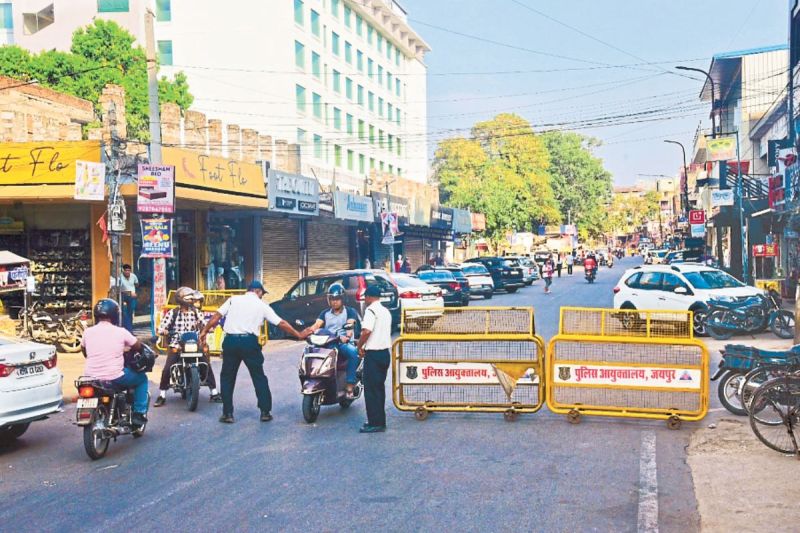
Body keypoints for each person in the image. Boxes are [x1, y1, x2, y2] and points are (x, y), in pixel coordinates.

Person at [200, 280, 308, 424]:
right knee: (258, 376)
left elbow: (216, 316)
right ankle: (265, 412)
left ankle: (227, 413)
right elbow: (281, 323)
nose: (262, 296)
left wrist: (204, 331)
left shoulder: (233, 300)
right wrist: (298, 334)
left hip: (231, 341)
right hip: (249, 342)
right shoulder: (261, 305)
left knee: (227, 377)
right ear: (257, 291)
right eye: (262, 294)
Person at [81, 299, 149, 427]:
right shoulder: (121, 332)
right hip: (114, 377)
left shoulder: (87, 332)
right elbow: (138, 346)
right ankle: (139, 413)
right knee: (142, 379)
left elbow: (85, 352)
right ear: (115, 315)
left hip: (90, 378)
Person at [154, 287, 222, 407]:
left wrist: (209, 328)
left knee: (206, 364)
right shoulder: (173, 313)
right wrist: (163, 331)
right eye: (188, 298)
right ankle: (162, 394)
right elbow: (161, 327)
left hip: (193, 344)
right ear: (181, 299)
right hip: (177, 344)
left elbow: (204, 324)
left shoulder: (196, 312)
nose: (191, 300)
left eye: (191, 297)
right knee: (167, 368)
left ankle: (214, 392)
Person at [301, 283, 361, 398]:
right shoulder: (325, 313)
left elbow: (350, 324)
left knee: (353, 352)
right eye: (332, 299)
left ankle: (349, 384)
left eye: (337, 299)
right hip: (328, 343)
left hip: (342, 343)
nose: (334, 302)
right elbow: (316, 325)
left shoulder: (350, 311)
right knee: (310, 351)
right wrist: (305, 333)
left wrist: (347, 336)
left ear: (342, 299)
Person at [356, 285, 393, 433]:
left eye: (365, 297)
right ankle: (378, 420)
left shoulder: (370, 311)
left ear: (369, 297)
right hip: (384, 353)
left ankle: (375, 423)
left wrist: (359, 346)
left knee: (371, 390)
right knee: (379, 389)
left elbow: (366, 331)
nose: (365, 300)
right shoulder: (385, 311)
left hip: (373, 354)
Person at [118, 264, 139, 333]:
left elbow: (137, 284)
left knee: (130, 313)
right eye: (126, 270)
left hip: (132, 297)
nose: (127, 272)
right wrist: (130, 293)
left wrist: (135, 292)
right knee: (124, 313)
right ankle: (128, 330)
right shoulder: (120, 277)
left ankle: (129, 329)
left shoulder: (133, 276)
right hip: (123, 296)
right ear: (123, 271)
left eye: (129, 270)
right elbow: (119, 290)